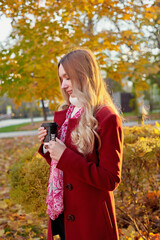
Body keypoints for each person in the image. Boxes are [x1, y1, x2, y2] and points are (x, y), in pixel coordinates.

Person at [38, 48, 123, 240]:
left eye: (68, 77)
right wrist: (48, 148)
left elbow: (110, 179)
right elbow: (63, 169)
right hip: (62, 213)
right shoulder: (68, 113)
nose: (64, 85)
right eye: (61, 79)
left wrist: (64, 155)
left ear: (83, 75)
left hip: (89, 220)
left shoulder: (106, 117)